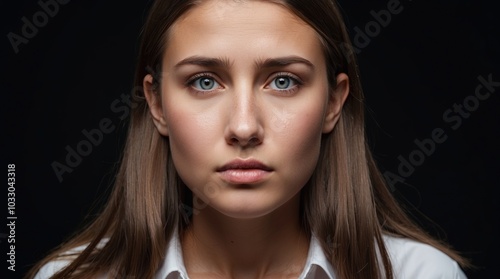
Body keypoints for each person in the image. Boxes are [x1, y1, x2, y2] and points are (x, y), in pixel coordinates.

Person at [26, 0, 469, 278]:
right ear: (156, 104)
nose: (243, 127)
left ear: (334, 102)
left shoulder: (422, 274)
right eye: (203, 82)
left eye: (282, 82)